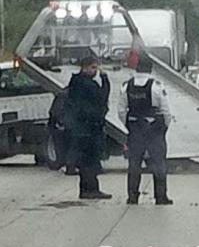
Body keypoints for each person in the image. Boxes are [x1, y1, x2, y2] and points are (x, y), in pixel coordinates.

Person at [117, 54, 173, 205]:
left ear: (137, 67)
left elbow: (121, 111)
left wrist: (129, 126)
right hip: (154, 129)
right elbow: (166, 111)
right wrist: (163, 128)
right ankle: (161, 197)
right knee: (159, 163)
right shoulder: (157, 86)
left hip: (135, 129)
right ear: (150, 69)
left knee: (134, 164)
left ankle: (132, 196)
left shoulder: (126, 86)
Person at [64, 56, 112, 199]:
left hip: (79, 128)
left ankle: (85, 189)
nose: (95, 71)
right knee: (91, 160)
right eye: (93, 68)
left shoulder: (75, 82)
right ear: (84, 67)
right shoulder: (88, 85)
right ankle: (91, 189)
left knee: (84, 161)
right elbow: (102, 97)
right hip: (89, 128)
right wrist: (105, 79)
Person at [48, 86, 77, 175]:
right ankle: (70, 167)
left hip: (61, 125)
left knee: (65, 147)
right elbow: (57, 111)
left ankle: (69, 166)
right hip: (62, 126)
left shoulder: (65, 93)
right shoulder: (67, 94)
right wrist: (62, 123)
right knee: (68, 147)